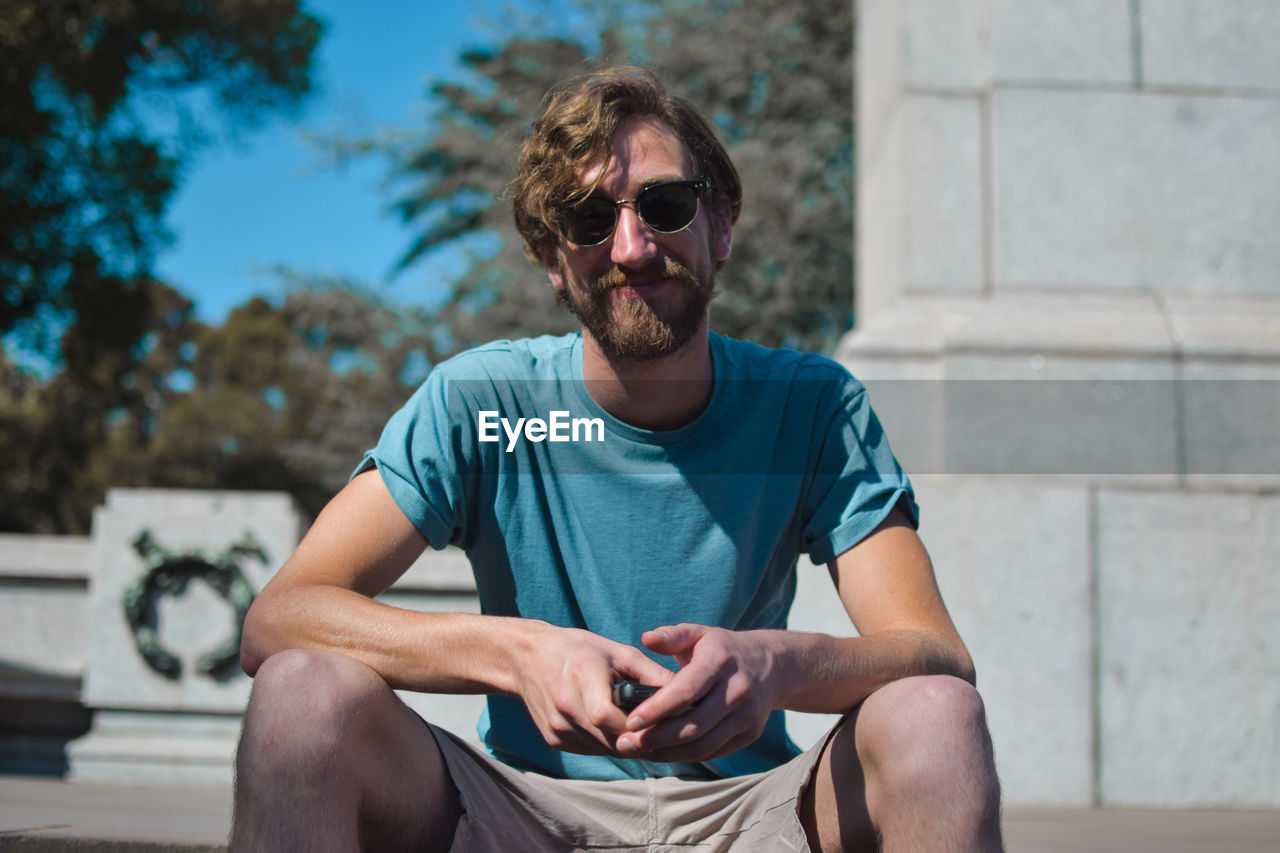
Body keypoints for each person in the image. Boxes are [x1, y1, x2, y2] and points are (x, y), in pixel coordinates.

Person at [230, 65, 1003, 852]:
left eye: (665, 206)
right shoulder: (481, 401)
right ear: (551, 256)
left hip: (754, 812)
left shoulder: (813, 408)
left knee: (935, 714)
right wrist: (516, 651)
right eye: (588, 219)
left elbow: (935, 652)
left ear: (721, 224)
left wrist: (781, 665)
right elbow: (279, 618)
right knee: (300, 695)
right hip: (519, 809)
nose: (631, 247)